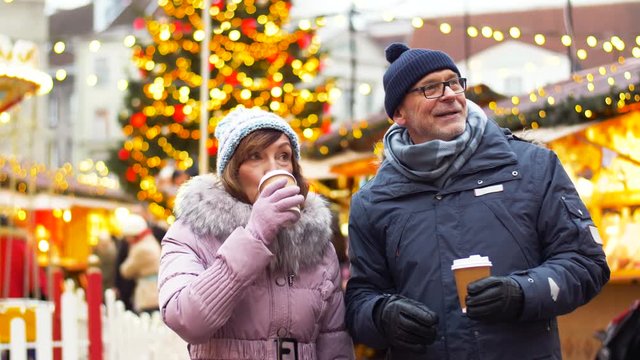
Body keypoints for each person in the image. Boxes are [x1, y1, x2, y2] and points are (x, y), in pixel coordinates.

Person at [344, 43, 610, 359]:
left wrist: (522, 292)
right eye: (429, 88)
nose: (449, 94)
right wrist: (382, 315)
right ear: (399, 113)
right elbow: (360, 299)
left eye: (454, 82)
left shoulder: (532, 167)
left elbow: (585, 262)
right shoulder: (373, 201)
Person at [158, 107, 355, 359]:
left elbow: (333, 341)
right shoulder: (193, 232)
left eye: (283, 156)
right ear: (232, 172)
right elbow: (187, 320)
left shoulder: (316, 243)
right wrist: (255, 234)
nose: (273, 169)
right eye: (255, 156)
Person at [118, 213, 161, 314]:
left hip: (149, 296)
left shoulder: (141, 249)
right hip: (154, 293)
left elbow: (125, 271)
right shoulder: (149, 241)